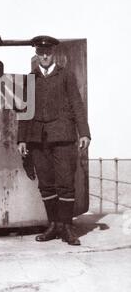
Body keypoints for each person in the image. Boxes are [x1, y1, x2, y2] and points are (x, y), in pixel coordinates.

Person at [18, 36, 91, 246]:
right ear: (36, 54)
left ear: (53, 53)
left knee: (66, 183)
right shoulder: (31, 79)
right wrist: (21, 139)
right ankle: (53, 226)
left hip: (63, 137)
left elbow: (77, 104)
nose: (44, 56)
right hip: (37, 139)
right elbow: (25, 110)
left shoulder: (66, 75)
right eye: (40, 53)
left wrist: (84, 133)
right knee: (46, 184)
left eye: (47, 52)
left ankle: (67, 227)